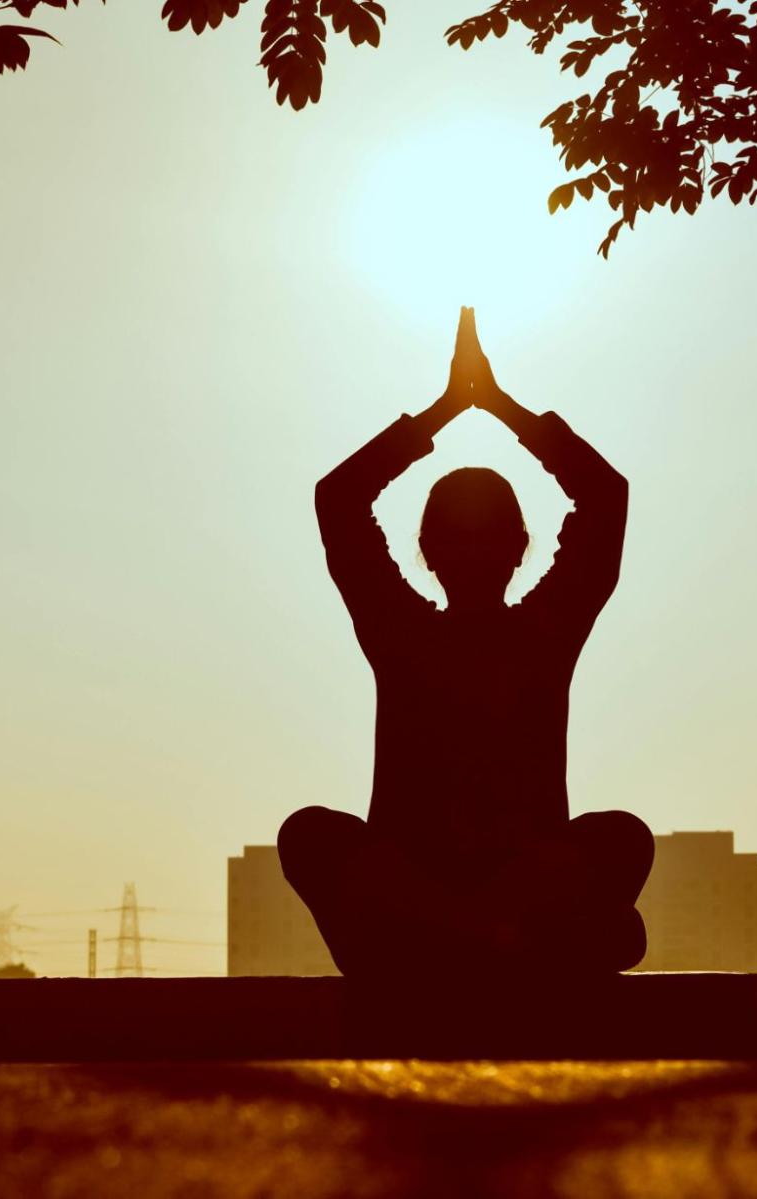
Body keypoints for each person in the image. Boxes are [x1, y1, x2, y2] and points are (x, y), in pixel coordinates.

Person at [280, 308, 654, 977]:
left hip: (493, 896)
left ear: (516, 547)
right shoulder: (411, 633)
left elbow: (605, 496)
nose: (475, 549)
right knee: (308, 834)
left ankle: (471, 936)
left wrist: (474, 408)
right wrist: (469, 407)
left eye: (486, 535)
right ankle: (490, 938)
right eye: (461, 535)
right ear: (428, 549)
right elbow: (337, 500)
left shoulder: (534, 632)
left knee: (622, 836)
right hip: (435, 897)